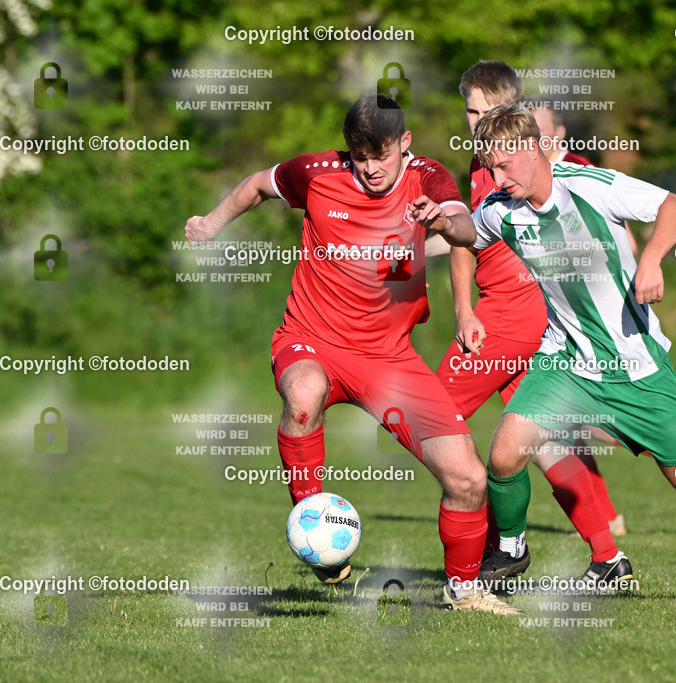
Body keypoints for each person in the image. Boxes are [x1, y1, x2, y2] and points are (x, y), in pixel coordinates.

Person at [183, 95, 519, 614]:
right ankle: (310, 519)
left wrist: (442, 220)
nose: (370, 168)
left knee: (469, 478)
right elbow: (256, 185)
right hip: (311, 338)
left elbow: (464, 227)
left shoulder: (427, 176)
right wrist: (210, 223)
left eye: (381, 156)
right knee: (303, 392)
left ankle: (464, 591)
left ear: (404, 144)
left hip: (389, 359)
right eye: (360, 157)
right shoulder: (317, 171)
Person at [470, 103, 676, 599]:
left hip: (637, 367)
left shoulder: (590, 186)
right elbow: (467, 232)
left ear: (533, 149)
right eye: (490, 167)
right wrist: (432, 223)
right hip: (567, 362)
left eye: (504, 165)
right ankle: (510, 548)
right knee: (507, 449)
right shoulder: (499, 210)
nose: (497, 176)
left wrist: (652, 260)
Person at [427, 61, 632, 584]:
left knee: (432, 419)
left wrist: (470, 312)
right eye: (468, 110)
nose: (471, 120)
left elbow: (470, 240)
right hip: (522, 316)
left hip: (512, 316)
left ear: (508, 110)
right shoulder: (484, 164)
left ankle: (491, 550)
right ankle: (609, 557)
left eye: (481, 110)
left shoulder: (520, 162)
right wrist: (463, 307)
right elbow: (466, 239)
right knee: (544, 442)